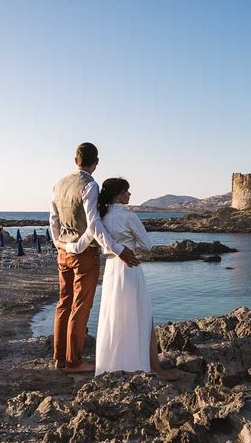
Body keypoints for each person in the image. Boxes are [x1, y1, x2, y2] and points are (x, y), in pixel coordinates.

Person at [63, 178, 176, 379]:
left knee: (115, 318)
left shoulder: (100, 218)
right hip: (130, 269)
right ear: (118, 195)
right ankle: (150, 365)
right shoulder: (129, 216)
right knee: (142, 316)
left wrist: (63, 246)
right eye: (127, 192)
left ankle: (115, 364)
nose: (130, 195)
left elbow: (82, 244)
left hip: (111, 271)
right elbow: (147, 244)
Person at [49, 143, 140, 373]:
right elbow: (94, 224)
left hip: (63, 252)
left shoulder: (58, 185)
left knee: (63, 304)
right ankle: (74, 362)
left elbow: (53, 221)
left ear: (75, 159)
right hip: (84, 254)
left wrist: (60, 244)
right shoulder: (90, 185)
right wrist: (117, 248)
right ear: (96, 162)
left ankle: (59, 358)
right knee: (80, 307)